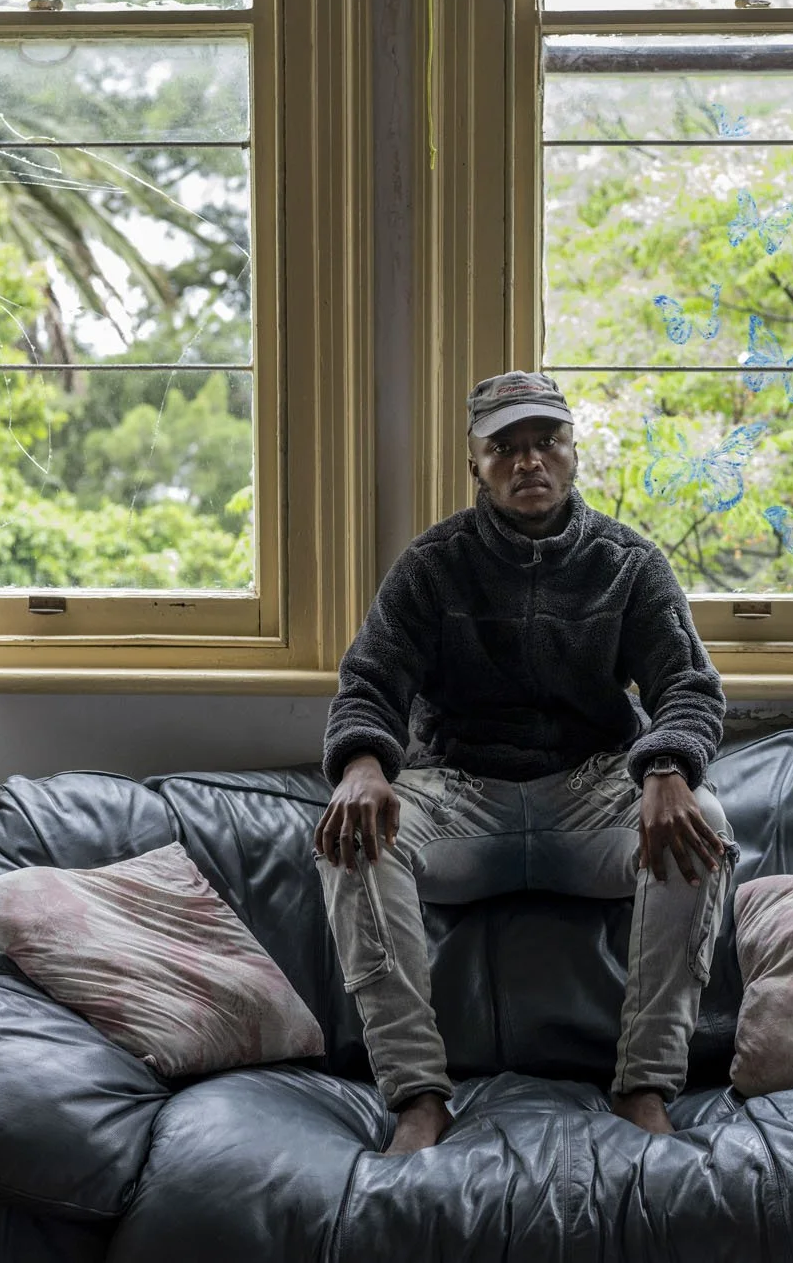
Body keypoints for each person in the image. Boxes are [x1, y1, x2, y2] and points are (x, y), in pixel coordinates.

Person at [316, 369, 735, 1156]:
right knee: (351, 839)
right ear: (475, 463)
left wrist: (668, 768)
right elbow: (368, 682)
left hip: (588, 795)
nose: (528, 460)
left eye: (546, 441)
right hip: (461, 798)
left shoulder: (628, 562)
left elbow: (689, 686)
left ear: (574, 452)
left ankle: (644, 1083)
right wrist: (363, 764)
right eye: (505, 447)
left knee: (703, 820)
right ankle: (418, 1096)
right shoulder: (431, 565)